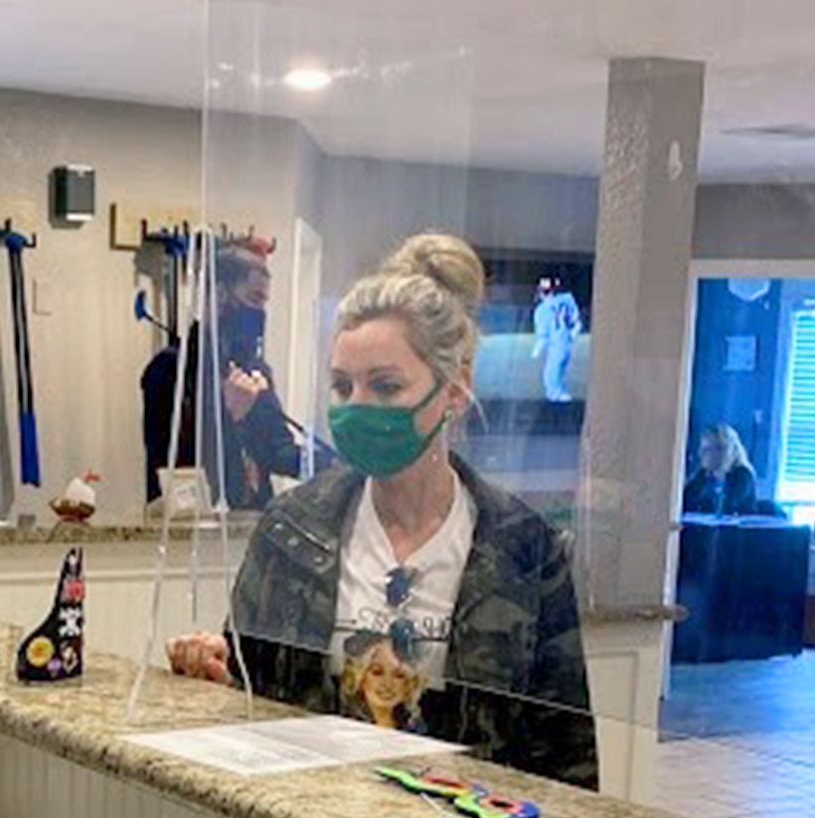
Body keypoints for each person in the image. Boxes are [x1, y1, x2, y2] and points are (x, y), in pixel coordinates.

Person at [167, 235, 599, 788]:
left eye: (387, 386)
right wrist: (206, 672)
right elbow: (245, 705)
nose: (357, 407)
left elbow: (569, 757)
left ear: (454, 390)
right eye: (342, 386)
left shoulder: (523, 549)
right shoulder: (293, 528)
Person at [139, 237, 313, 508]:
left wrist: (337, 465)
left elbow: (279, 451)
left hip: (252, 521)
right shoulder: (171, 369)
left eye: (264, 301)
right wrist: (230, 415)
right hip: (191, 528)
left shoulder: (255, 369)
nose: (260, 312)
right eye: (254, 298)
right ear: (219, 293)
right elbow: (171, 465)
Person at [683, 424, 759, 516]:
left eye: (719, 448)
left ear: (729, 451)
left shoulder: (742, 476)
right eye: (705, 449)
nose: (701, 453)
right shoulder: (701, 476)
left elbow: (727, 508)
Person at [530, 274, 582, 402]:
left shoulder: (542, 310)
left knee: (551, 371)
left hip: (556, 343)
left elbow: (543, 337)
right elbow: (577, 324)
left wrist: (536, 351)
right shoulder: (567, 299)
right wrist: (570, 336)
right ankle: (557, 393)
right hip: (566, 343)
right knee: (559, 369)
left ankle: (556, 394)